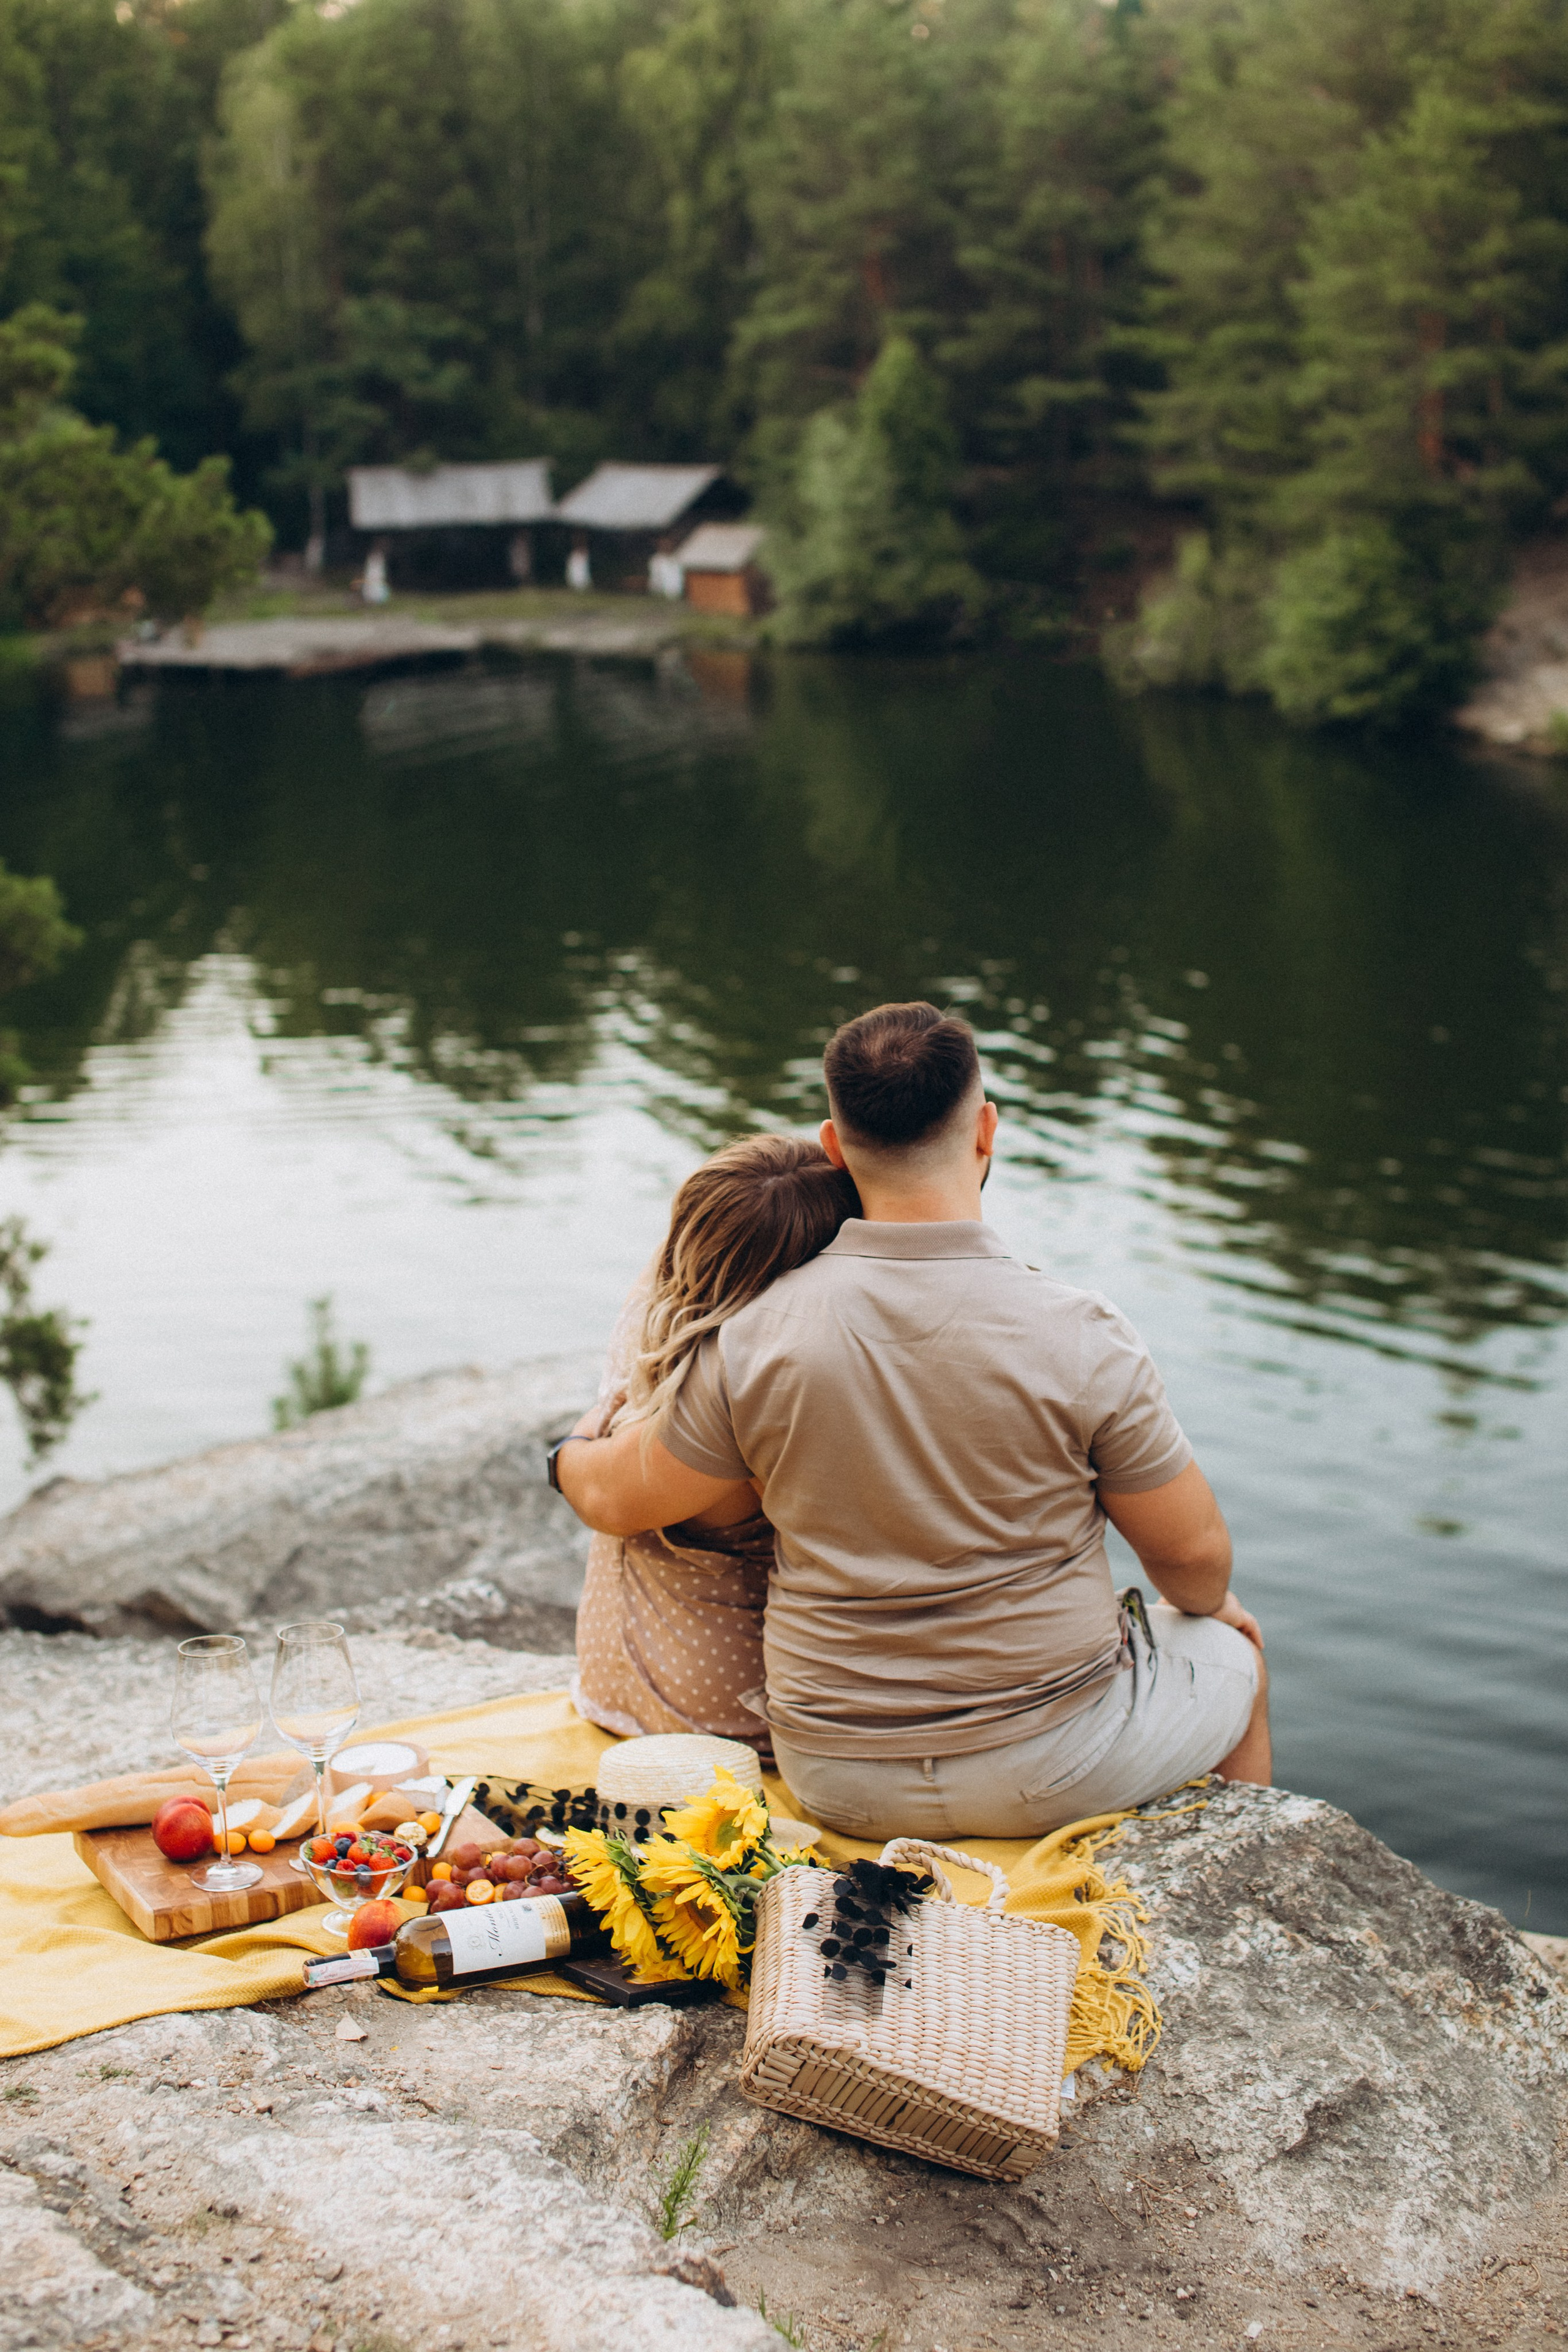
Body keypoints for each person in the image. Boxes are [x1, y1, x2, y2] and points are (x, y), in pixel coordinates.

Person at [556, 1001, 1270, 1842]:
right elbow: (1188, 1556)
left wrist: (564, 1453)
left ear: (834, 1144)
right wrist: (1209, 1607)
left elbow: (620, 1497)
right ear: (986, 1131)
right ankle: (1240, 1875)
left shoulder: (753, 1338)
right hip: (1057, 1759)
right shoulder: (1081, 1334)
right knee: (1234, 1657)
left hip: (836, 1774)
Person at [564, 1134, 859, 1755]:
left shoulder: (715, 1398)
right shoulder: (788, 1370)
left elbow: (599, 1496)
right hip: (667, 1697)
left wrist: (579, 1435)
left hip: (714, 1726)